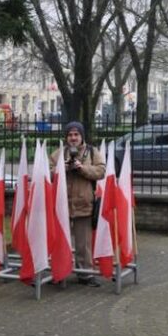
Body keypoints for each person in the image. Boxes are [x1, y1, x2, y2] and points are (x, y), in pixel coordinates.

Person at [49, 121, 106, 286]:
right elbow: (49, 172)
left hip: (83, 203)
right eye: (70, 135)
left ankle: (85, 274)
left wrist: (82, 168)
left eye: (76, 134)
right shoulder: (57, 154)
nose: (73, 138)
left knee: (84, 244)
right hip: (62, 205)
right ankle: (59, 272)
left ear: (82, 136)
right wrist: (63, 167)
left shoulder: (93, 152)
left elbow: (101, 171)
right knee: (60, 241)